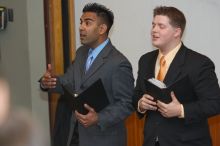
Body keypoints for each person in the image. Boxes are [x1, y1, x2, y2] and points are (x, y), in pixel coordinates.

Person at [40, 3, 134, 146]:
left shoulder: (119, 63)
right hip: (75, 135)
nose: (81, 27)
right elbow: (67, 82)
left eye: (87, 23)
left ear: (102, 29)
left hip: (103, 139)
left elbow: (126, 104)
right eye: (81, 22)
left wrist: (99, 118)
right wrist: (48, 82)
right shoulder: (81, 53)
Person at [133, 6, 220, 146]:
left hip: (186, 142)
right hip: (151, 140)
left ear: (177, 32)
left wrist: (181, 110)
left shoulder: (199, 63)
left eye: (161, 26)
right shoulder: (145, 60)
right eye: (153, 25)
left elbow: (214, 103)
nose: (154, 30)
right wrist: (140, 104)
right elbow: (137, 93)